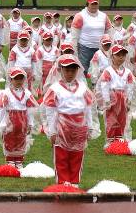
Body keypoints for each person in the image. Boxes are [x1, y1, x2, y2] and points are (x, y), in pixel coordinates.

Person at [40, 54, 95, 186]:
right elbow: (50, 111)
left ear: (77, 71)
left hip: (79, 127)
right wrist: (52, 131)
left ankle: (74, 182)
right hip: (62, 127)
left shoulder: (82, 88)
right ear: (60, 70)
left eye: (73, 70)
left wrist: (90, 127)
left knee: (77, 154)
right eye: (67, 70)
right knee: (61, 155)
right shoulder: (55, 89)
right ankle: (63, 182)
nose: (70, 73)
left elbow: (88, 108)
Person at [69, 0, 108, 73]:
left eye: (96, 4)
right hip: (85, 47)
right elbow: (74, 34)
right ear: (87, 4)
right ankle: (83, 84)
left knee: (100, 69)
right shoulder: (80, 16)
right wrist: (74, 47)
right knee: (83, 69)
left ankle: (96, 84)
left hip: (100, 48)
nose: (94, 6)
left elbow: (109, 30)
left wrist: (109, 43)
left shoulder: (104, 16)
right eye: (92, 4)